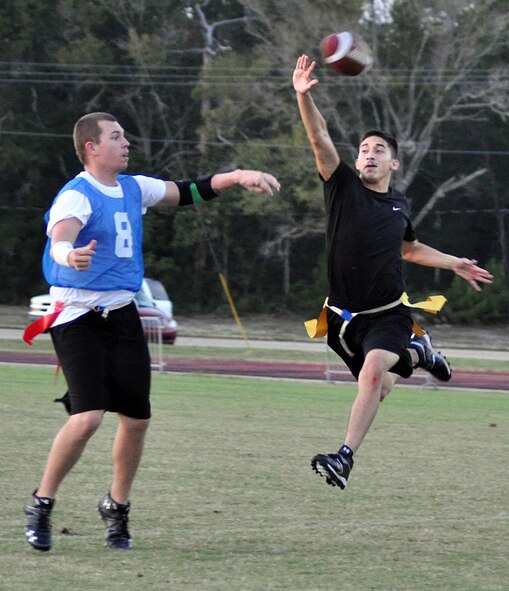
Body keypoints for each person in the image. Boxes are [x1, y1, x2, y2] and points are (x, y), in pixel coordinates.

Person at [23, 111, 280, 551]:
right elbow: (61, 239)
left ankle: (116, 506)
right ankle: (42, 503)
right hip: (77, 315)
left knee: (137, 419)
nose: (126, 142)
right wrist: (69, 258)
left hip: (122, 313)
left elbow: (188, 191)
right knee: (86, 417)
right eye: (116, 136)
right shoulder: (76, 196)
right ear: (91, 147)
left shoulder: (132, 187)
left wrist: (238, 176)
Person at [292, 55, 493, 490]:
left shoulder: (399, 205)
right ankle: (420, 355)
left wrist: (454, 262)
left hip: (388, 313)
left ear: (393, 164)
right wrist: (303, 97)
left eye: (378, 150)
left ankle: (344, 458)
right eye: (364, 149)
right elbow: (319, 138)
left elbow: (411, 249)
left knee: (371, 374)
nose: (368, 154)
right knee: (380, 388)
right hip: (342, 321)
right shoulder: (342, 186)